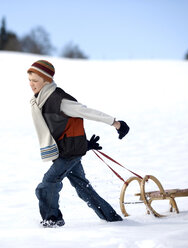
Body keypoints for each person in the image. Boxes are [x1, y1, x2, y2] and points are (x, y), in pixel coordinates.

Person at [28, 60, 129, 228]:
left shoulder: (59, 100)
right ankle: (111, 218)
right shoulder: (40, 100)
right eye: (30, 80)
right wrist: (83, 144)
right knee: (83, 187)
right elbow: (62, 126)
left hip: (69, 153)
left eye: (35, 80)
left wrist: (115, 123)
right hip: (66, 149)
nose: (31, 84)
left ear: (47, 80)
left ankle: (52, 219)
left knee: (48, 184)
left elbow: (86, 112)